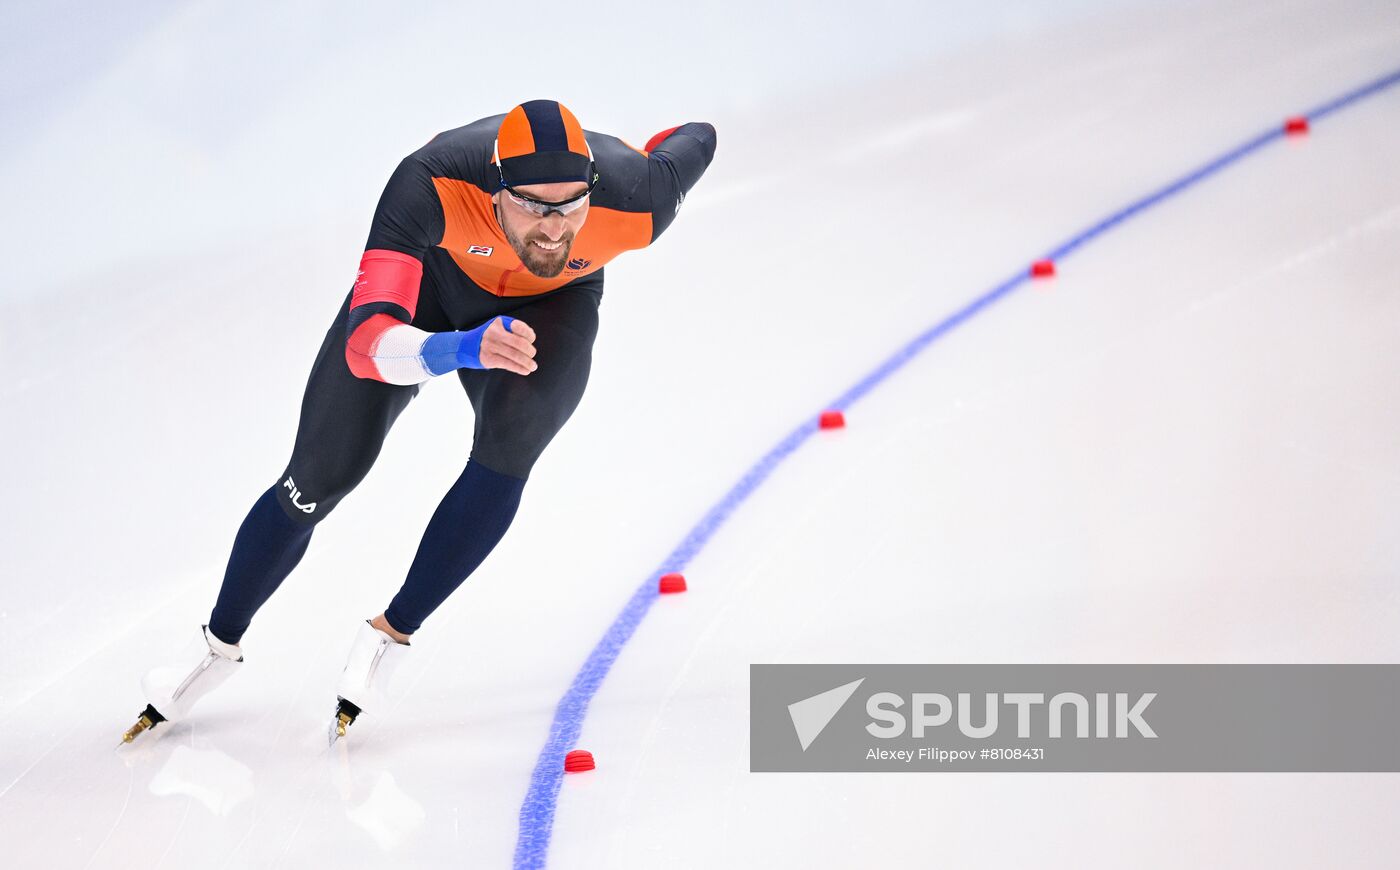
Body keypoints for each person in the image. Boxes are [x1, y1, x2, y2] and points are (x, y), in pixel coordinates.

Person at [123, 100, 717, 743]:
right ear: (493, 191)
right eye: (533, 207)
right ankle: (216, 643)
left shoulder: (638, 199)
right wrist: (461, 346)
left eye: (571, 206)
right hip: (433, 286)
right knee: (317, 477)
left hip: (554, 304)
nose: (553, 229)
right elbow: (368, 343)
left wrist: (633, 154)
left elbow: (696, 137)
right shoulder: (428, 183)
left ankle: (391, 635)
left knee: (512, 444)